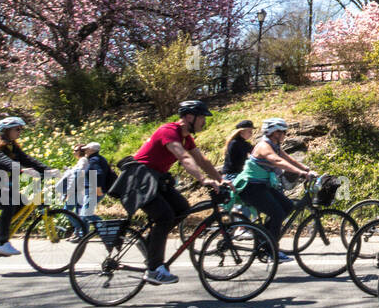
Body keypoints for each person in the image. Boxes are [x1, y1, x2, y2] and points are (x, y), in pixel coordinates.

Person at [123, 100, 226, 284]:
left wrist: (221, 179)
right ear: (189, 117)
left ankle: (148, 243)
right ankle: (154, 269)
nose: (204, 121)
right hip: (140, 179)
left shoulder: (187, 138)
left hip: (156, 180)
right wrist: (202, 179)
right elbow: (184, 157)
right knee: (164, 216)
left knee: (182, 208)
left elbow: (202, 160)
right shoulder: (169, 131)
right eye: (201, 117)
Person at [235, 118, 314, 255]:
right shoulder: (264, 146)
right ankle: (271, 249)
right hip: (250, 187)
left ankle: (263, 237)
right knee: (277, 214)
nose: (285, 134)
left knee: (288, 206)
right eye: (282, 131)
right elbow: (277, 161)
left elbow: (289, 159)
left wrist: (307, 169)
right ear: (274, 132)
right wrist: (300, 173)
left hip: (262, 185)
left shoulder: (275, 145)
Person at [0, 117, 47, 257]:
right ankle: (3, 243)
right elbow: (5, 162)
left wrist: (48, 170)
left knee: (22, 203)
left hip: (0, 187)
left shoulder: (13, 147)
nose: (20, 132)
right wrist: (22, 170)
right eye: (17, 129)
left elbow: (28, 160)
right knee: (9, 202)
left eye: (20, 129)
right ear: (6, 131)